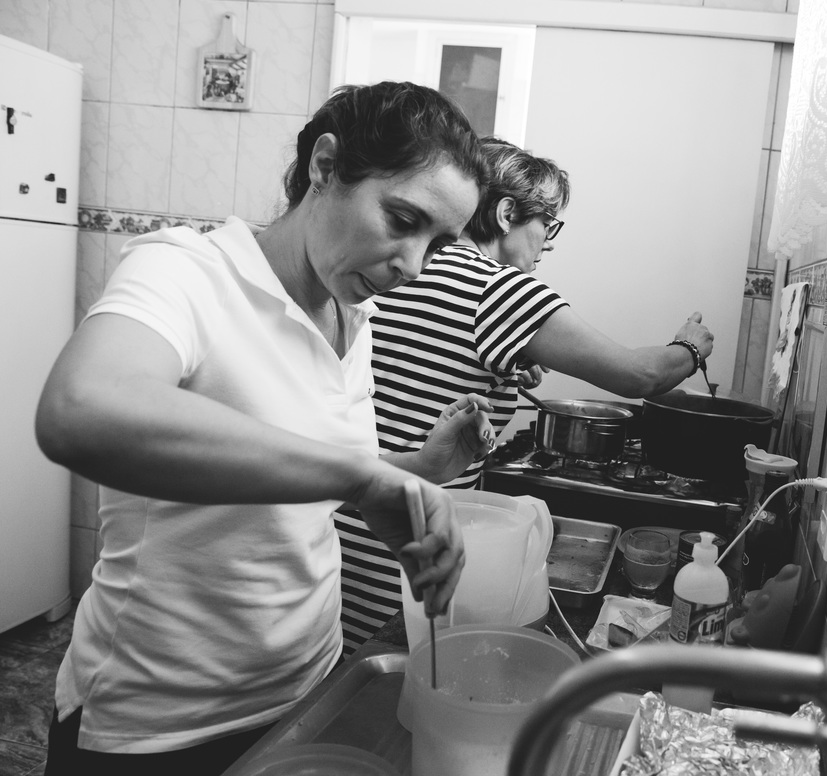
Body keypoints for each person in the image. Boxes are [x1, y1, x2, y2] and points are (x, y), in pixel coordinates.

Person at [33, 81, 494, 776]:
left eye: (437, 243)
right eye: (402, 219)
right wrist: (361, 476)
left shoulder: (352, 314)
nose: (413, 265)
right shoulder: (189, 270)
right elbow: (82, 410)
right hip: (159, 722)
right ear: (325, 166)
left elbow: (301, 479)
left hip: (302, 686)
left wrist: (414, 470)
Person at [337, 137, 714, 650]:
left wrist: (502, 367)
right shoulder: (497, 288)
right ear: (506, 214)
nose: (549, 243)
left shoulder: (403, 268)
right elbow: (639, 375)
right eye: (547, 223)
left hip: (347, 535)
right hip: (410, 559)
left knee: (357, 679)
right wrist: (690, 348)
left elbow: (421, 367)